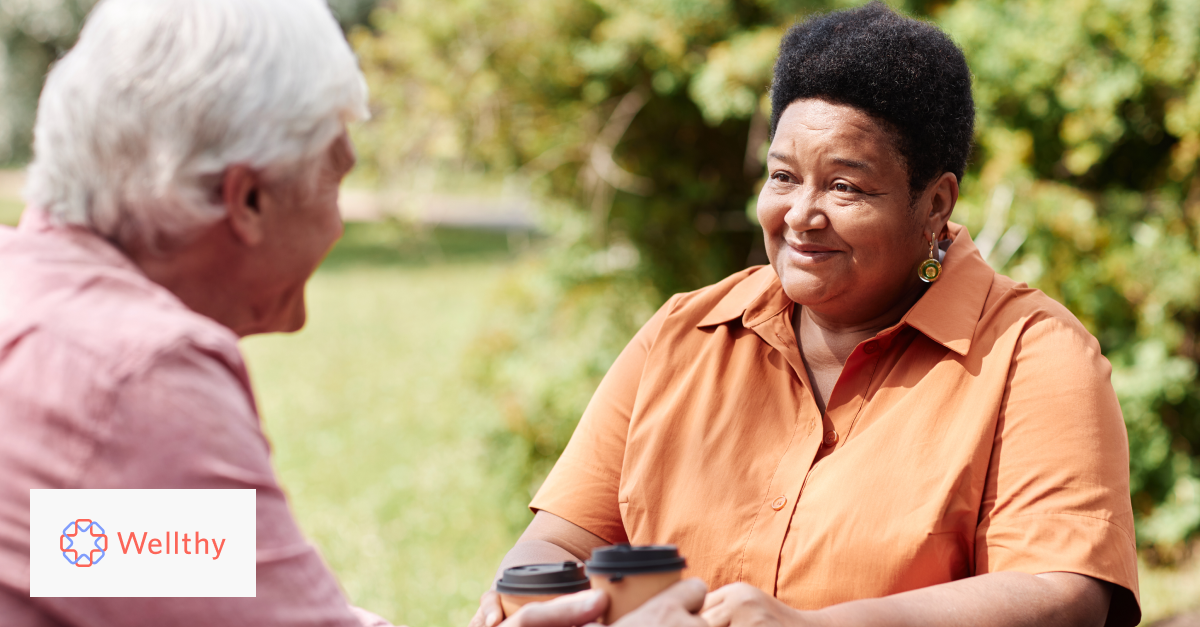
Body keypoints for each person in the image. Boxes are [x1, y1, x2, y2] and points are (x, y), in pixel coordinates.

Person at [0, 1, 701, 626]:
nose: (339, 223)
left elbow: (96, 552)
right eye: (337, 173)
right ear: (246, 199)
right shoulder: (137, 377)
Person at [473, 3, 1139, 627]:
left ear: (936, 202)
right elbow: (560, 536)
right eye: (784, 176)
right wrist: (545, 599)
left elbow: (1063, 590)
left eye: (845, 185)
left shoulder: (1033, 356)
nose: (799, 215)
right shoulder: (686, 333)